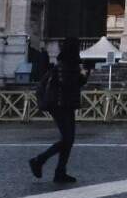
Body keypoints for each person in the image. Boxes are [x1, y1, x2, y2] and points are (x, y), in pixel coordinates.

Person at [29, 38, 88, 184]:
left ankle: (60, 172)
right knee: (67, 139)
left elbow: (74, 83)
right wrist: (81, 74)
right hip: (59, 105)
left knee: (69, 140)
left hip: (65, 105)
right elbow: (67, 83)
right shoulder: (66, 65)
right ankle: (39, 160)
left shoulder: (67, 64)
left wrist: (83, 74)